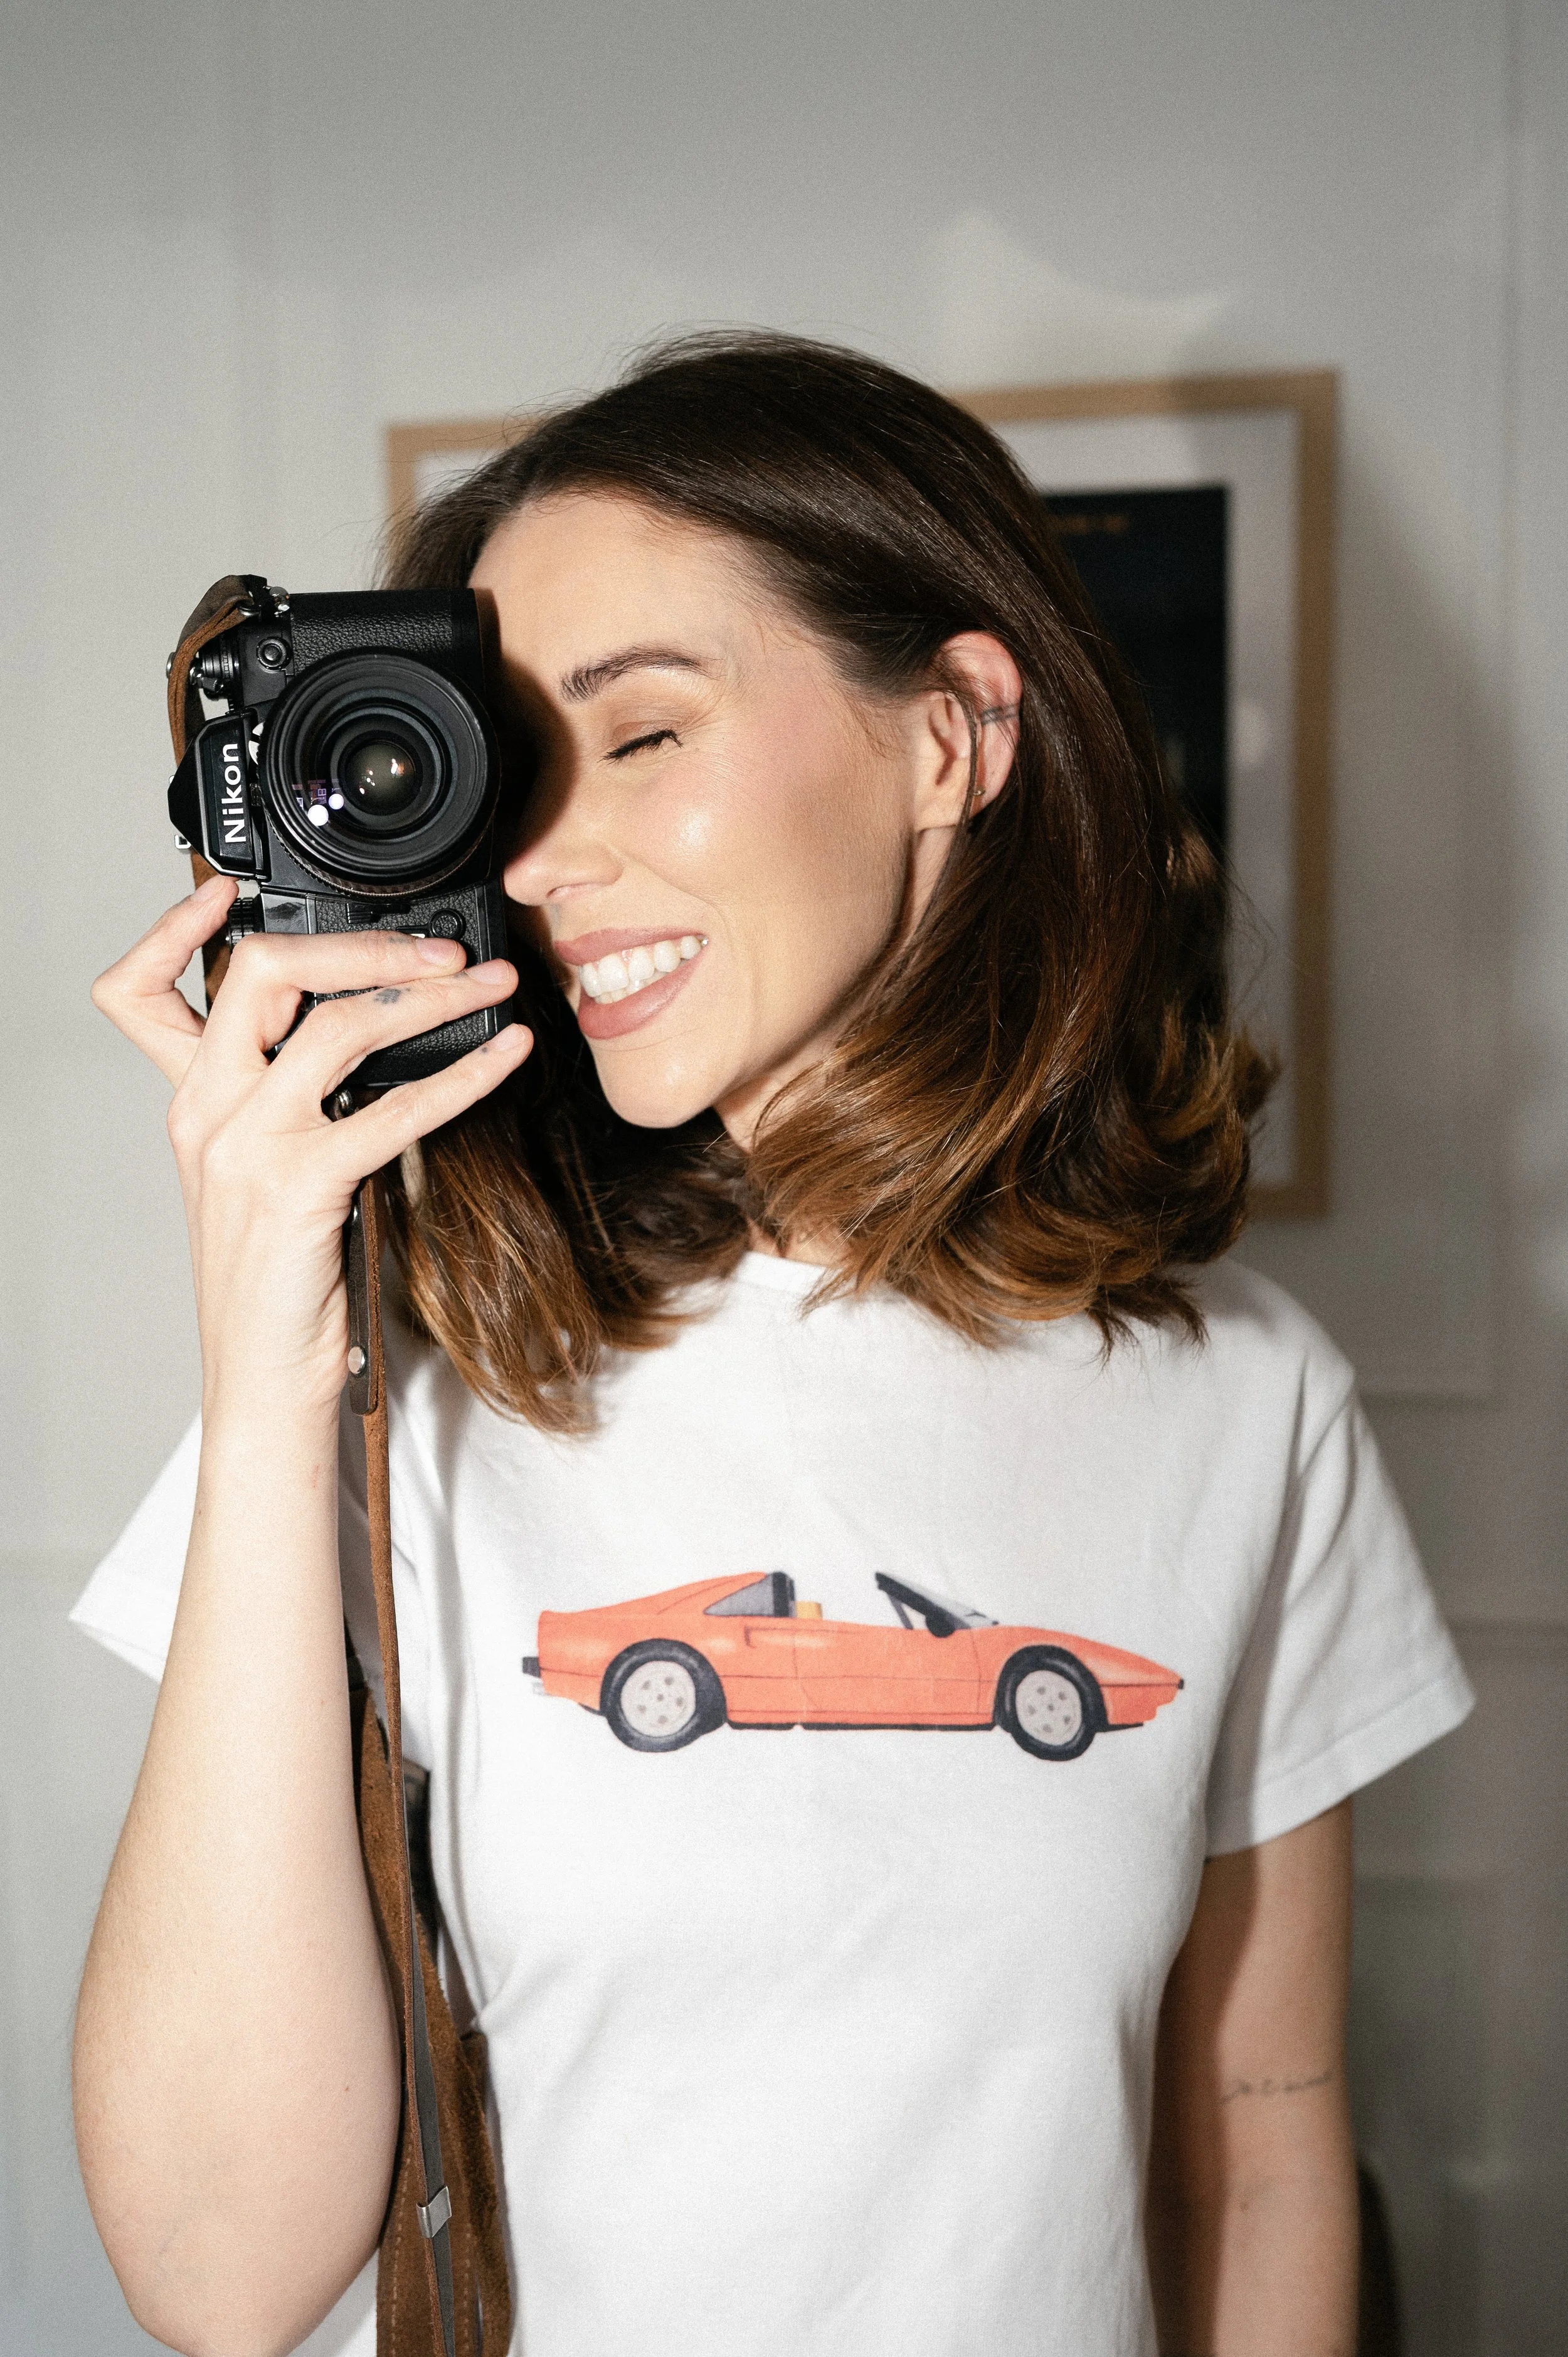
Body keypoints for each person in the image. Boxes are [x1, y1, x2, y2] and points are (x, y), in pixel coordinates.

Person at [73, 333, 1471, 2357]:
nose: (546, 862)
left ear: (951, 737)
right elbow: (220, 2276)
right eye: (516, 772)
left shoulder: (1240, 1396)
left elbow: (1254, 2127)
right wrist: (265, 1326)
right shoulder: (411, 1371)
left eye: (639, 735)